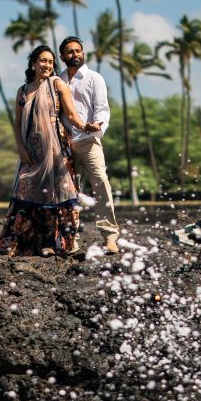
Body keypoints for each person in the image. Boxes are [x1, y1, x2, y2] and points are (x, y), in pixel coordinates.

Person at [0, 45, 99, 257]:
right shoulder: (23, 91)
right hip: (32, 152)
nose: (47, 65)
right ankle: (12, 245)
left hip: (57, 149)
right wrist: (22, 149)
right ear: (33, 63)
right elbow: (17, 123)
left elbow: (70, 114)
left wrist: (85, 126)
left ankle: (54, 244)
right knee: (24, 195)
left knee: (56, 196)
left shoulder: (57, 84)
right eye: (43, 61)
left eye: (51, 62)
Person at [57, 36, 120, 254]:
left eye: (78, 51)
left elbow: (102, 108)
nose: (75, 54)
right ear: (62, 56)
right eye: (70, 52)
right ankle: (69, 239)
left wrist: (96, 127)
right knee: (68, 191)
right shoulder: (58, 80)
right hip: (64, 144)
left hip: (88, 141)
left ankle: (110, 237)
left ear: (83, 53)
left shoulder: (94, 78)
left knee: (101, 183)